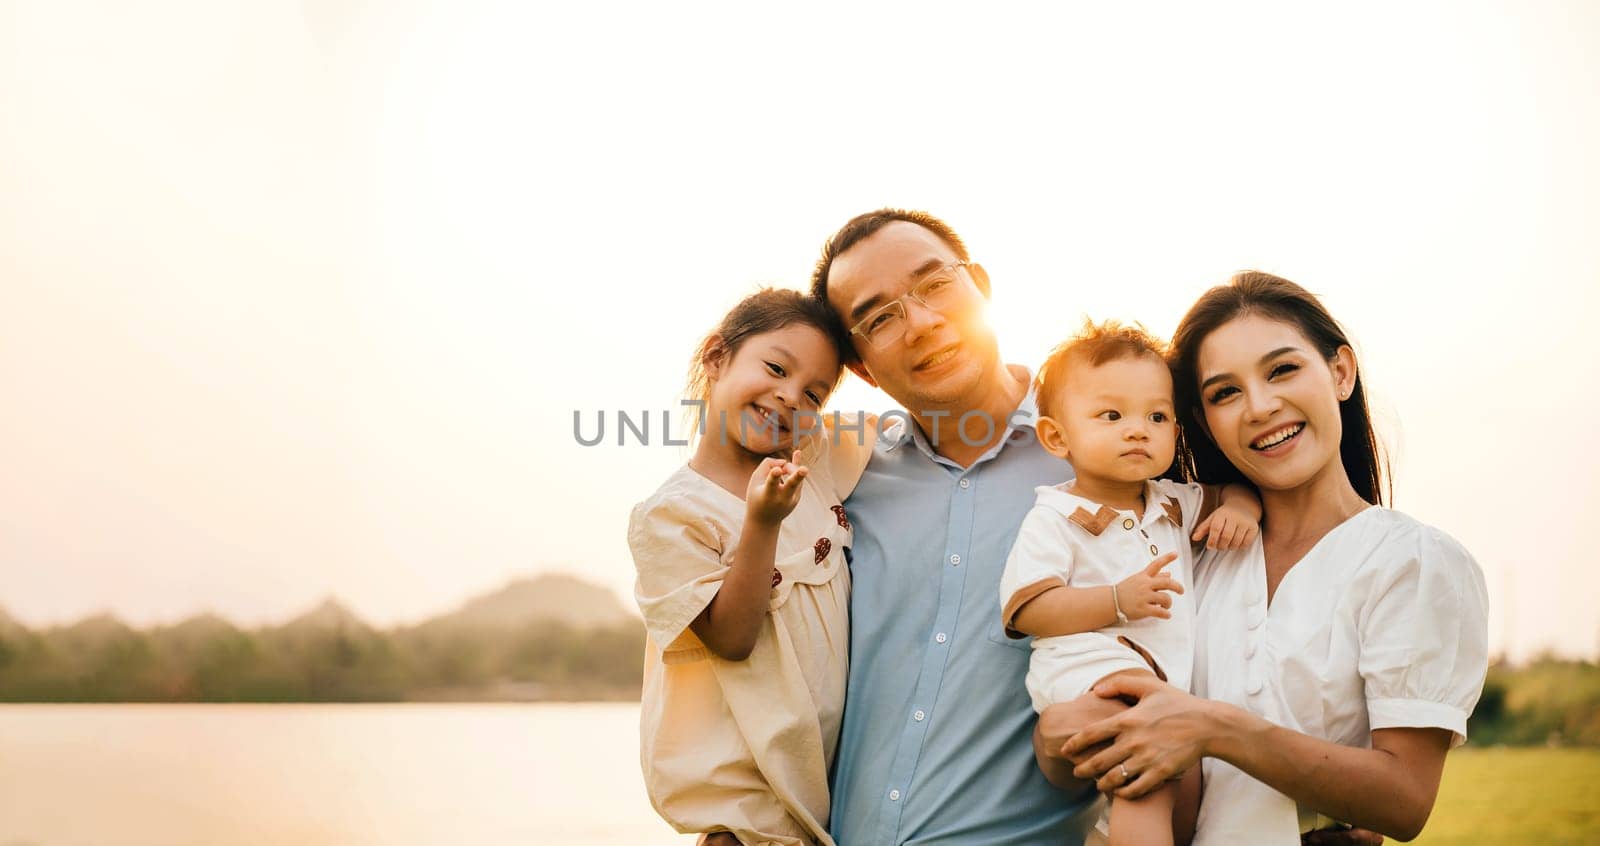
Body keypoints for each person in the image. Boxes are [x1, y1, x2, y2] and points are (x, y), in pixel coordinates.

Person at [1036, 271, 1490, 844]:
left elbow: (1404, 802)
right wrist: (1054, 743)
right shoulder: (1177, 553)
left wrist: (1214, 728)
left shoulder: (1414, 562)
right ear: (1201, 421)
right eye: (1224, 393)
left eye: (1282, 370)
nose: (1259, 406)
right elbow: (1095, 752)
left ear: (1340, 372)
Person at [811, 209, 1099, 844]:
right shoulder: (841, 483)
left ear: (983, 289)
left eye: (935, 284)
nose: (920, 323)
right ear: (860, 366)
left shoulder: (1101, 458)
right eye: (880, 317)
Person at [999, 320, 1262, 846]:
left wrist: (1240, 508)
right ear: (1056, 436)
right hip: (1088, 678)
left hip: (1159, 689)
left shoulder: (1170, 503)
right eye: (1112, 415)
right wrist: (1117, 600)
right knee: (1149, 780)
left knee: (1180, 791)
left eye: (1157, 416)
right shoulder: (1057, 516)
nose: (1138, 429)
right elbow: (1027, 609)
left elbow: (1233, 489)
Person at [628, 288, 872, 846]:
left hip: (823, 807)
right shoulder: (672, 516)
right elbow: (732, 637)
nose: (789, 397)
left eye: (814, 393)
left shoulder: (813, 459)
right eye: (775, 368)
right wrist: (761, 525)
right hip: (745, 820)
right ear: (717, 358)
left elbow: (914, 432)